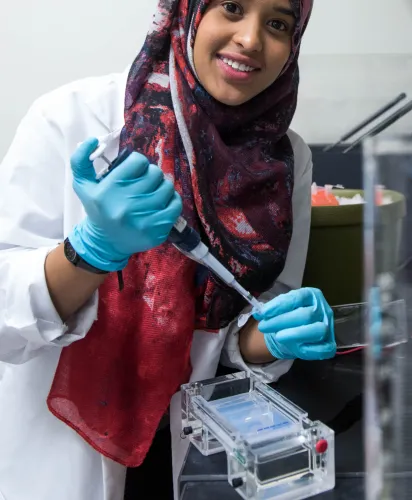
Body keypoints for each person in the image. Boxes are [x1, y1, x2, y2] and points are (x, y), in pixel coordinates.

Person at [0, 0, 336, 499]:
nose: (250, 38)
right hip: (58, 455)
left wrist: (272, 339)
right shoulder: (70, 118)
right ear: (186, 11)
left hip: (189, 448)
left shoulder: (284, 159)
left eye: (278, 23)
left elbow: (234, 335)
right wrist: (91, 252)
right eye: (232, 7)